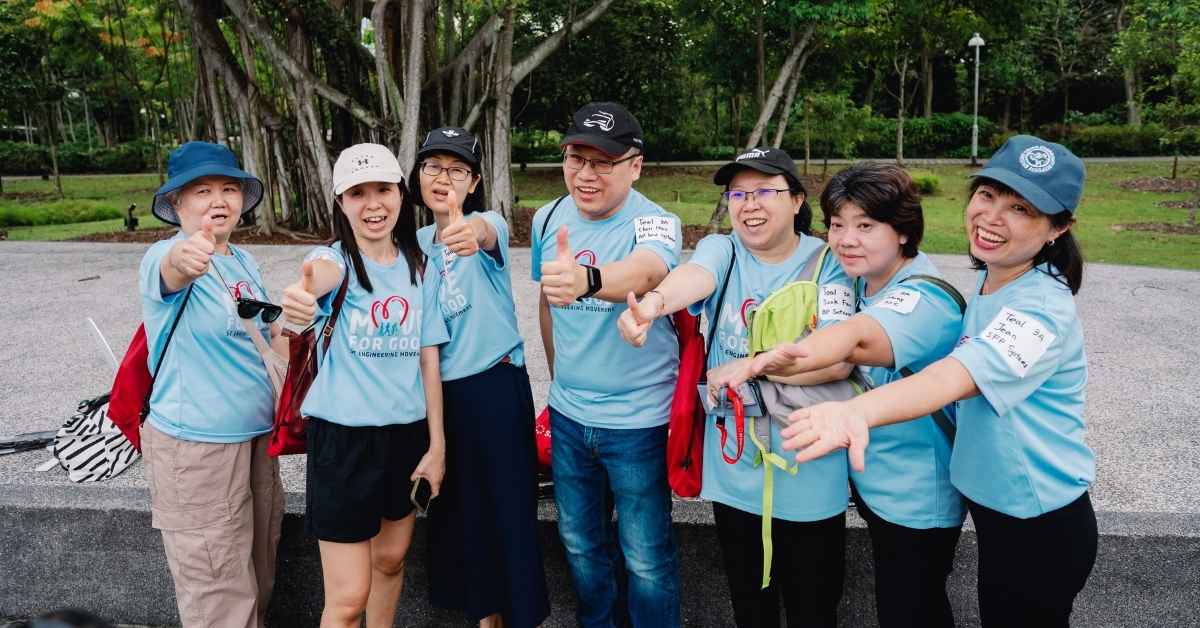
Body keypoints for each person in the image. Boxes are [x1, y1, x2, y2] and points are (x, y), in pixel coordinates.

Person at [778, 136, 1096, 627]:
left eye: (1021, 209)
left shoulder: (1042, 309)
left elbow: (954, 377)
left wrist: (854, 412)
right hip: (999, 511)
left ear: (1059, 228)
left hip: (1037, 521)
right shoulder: (999, 278)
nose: (992, 218)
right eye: (987, 195)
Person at [712, 163, 966, 628]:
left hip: (916, 497)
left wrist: (757, 361)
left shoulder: (925, 298)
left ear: (905, 232)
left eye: (866, 226)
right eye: (837, 224)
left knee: (911, 611)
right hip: (877, 484)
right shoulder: (861, 281)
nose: (846, 239)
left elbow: (854, 340)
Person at [618, 147, 855, 628]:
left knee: (814, 607)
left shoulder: (829, 261)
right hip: (734, 462)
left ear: (795, 200)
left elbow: (838, 361)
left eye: (765, 191)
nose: (750, 204)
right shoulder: (722, 250)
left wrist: (752, 368)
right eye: (738, 194)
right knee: (749, 605)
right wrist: (655, 303)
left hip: (806, 461)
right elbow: (694, 277)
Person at [280, 143, 448, 628]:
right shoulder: (333, 262)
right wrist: (300, 300)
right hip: (343, 443)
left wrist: (437, 447)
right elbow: (313, 281)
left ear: (401, 192)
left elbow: (428, 359)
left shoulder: (421, 266)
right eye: (358, 193)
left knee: (391, 561)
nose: (373, 205)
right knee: (349, 598)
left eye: (383, 189)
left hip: (406, 437)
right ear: (340, 201)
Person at [531, 102, 683, 627]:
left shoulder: (656, 223)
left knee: (646, 556)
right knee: (580, 546)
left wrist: (589, 281)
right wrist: (559, 384)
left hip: (639, 422)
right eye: (576, 159)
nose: (586, 175)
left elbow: (647, 270)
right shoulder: (549, 218)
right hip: (570, 419)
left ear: (635, 166)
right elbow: (548, 303)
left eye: (603, 162)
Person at [138, 141, 283, 628]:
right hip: (196, 448)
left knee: (259, 572)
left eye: (228, 188)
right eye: (202, 190)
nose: (218, 200)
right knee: (217, 589)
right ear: (176, 203)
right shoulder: (164, 254)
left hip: (258, 441)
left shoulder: (242, 260)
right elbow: (173, 268)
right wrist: (187, 257)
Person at [411, 127, 550, 628]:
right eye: (432, 167)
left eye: (456, 170)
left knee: (509, 511)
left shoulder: (481, 227)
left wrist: (469, 228)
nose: (442, 178)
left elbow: (488, 232)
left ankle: (518, 617)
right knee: (459, 514)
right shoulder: (412, 244)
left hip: (494, 387)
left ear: (472, 182)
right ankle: (481, 617)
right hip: (439, 392)